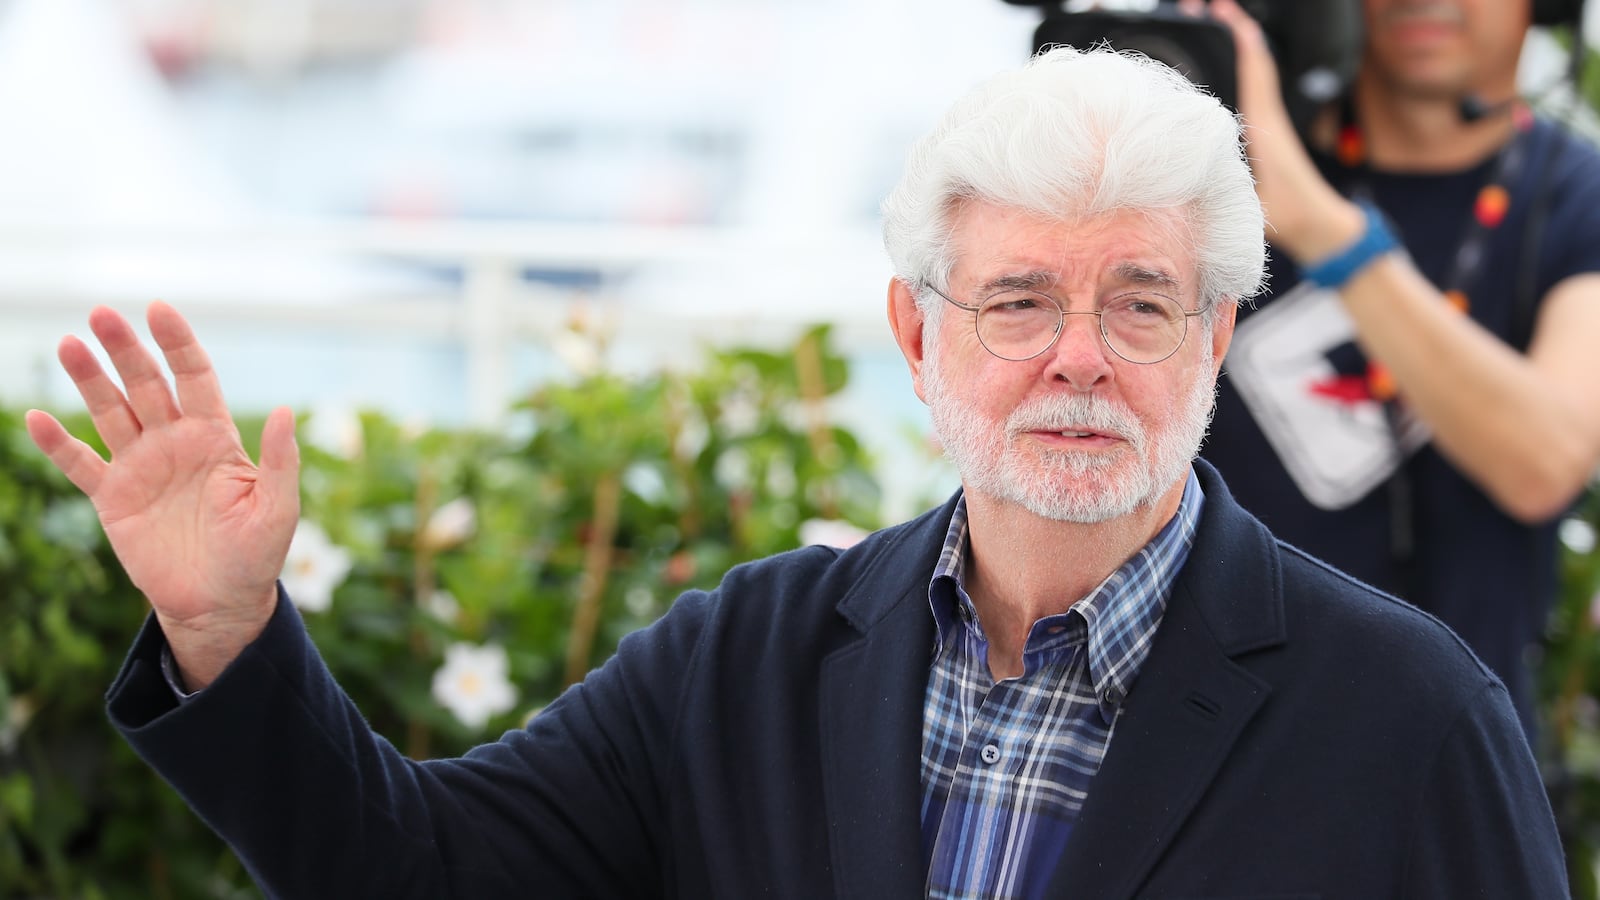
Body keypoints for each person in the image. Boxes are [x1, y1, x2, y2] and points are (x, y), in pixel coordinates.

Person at [25, 46, 1568, 898]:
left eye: (1142, 302)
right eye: (1020, 300)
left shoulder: (1410, 717)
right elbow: (412, 873)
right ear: (918, 330)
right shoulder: (748, 659)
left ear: (1216, 329)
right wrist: (228, 631)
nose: (1079, 356)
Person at [1193, 0, 1600, 741]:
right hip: (1207, 741)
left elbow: (1546, 461)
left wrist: (1321, 227)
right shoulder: (1217, 182)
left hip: (1448, 761)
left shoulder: (1576, 197)